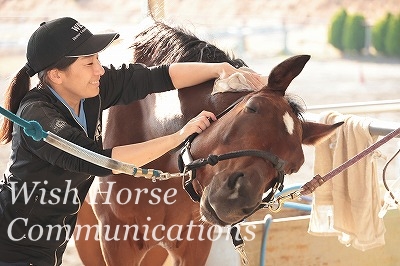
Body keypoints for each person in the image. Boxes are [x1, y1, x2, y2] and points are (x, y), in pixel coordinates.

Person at [0, 17, 264, 265]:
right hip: (14, 243)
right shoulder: (37, 115)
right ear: (57, 75)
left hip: (45, 242)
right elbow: (99, 160)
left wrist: (221, 69)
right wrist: (179, 137)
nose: (99, 70)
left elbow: (158, 77)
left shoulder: (94, 90)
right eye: (89, 63)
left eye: (98, 59)